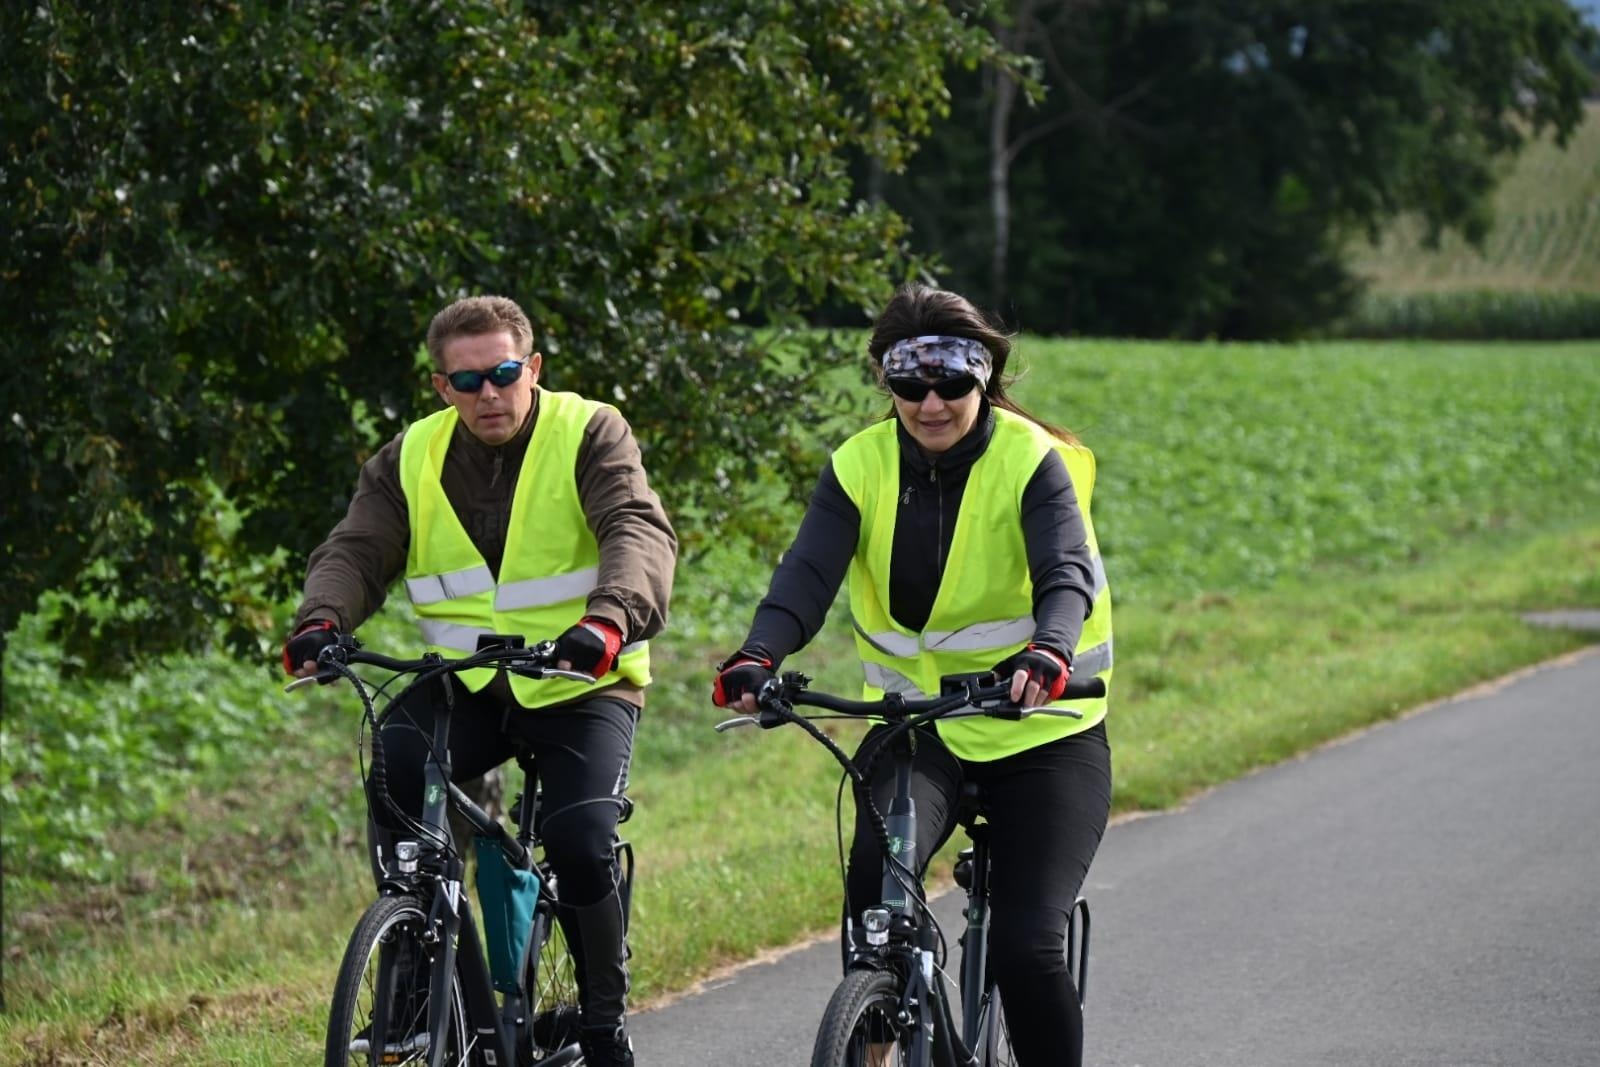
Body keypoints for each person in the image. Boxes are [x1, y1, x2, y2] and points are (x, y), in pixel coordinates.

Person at [712, 284, 1114, 1067]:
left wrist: (1049, 650)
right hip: (917, 727)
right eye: (909, 386)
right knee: (875, 905)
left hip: (1040, 727)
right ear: (887, 386)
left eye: (953, 384)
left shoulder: (1030, 461)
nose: (931, 403)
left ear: (983, 380)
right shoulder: (858, 465)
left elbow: (1066, 571)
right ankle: (877, 1044)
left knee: (1028, 949)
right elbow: (806, 576)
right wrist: (758, 654)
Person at [283, 294, 675, 1066]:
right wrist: (320, 619)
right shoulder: (409, 456)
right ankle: (418, 989)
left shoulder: (590, 431)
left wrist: (608, 619)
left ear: (531, 368)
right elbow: (357, 548)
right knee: (394, 768)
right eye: (467, 382)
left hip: (581, 682)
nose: (487, 394)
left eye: (502, 374)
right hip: (469, 682)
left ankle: (602, 1016)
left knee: (579, 838)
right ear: (440, 387)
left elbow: (635, 526)